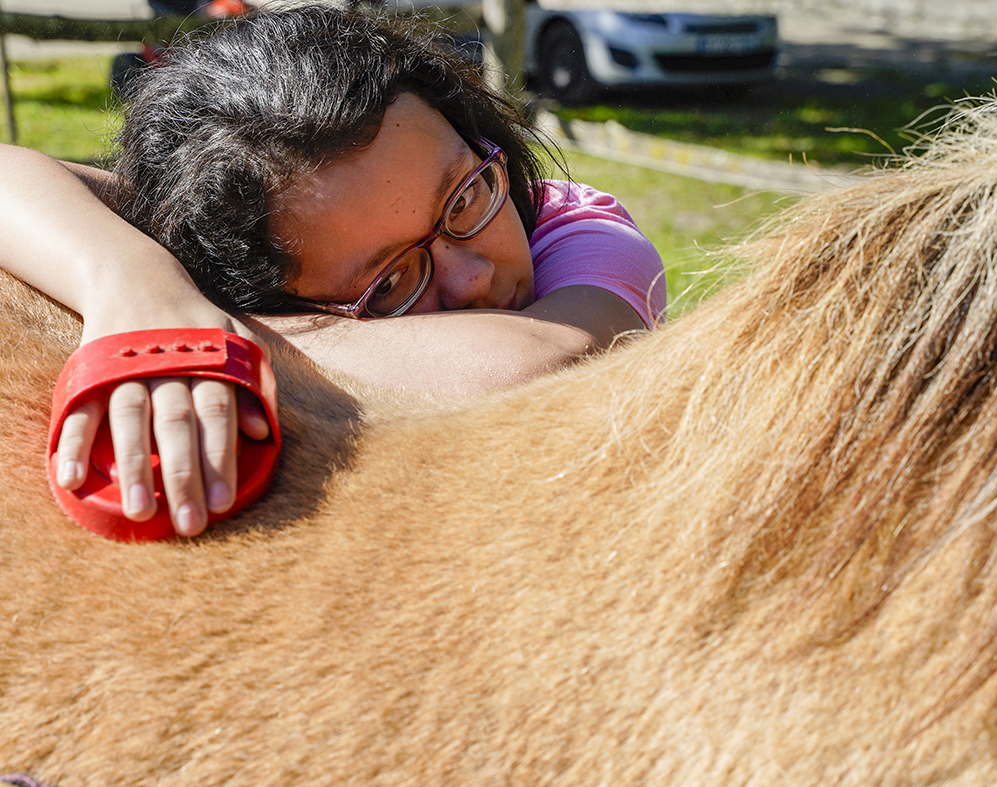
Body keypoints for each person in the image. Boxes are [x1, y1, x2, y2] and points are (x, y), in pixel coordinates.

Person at [0, 5, 665, 538]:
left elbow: (547, 363)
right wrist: (133, 281)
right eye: (392, 283)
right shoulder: (217, 235)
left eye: (464, 196)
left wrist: (212, 329)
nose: (470, 278)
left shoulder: (585, 228)